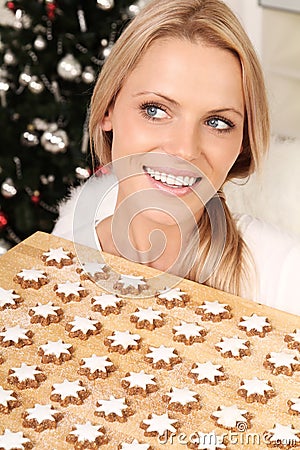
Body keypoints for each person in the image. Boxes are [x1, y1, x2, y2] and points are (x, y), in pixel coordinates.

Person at [52, 0, 300, 316]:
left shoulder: (287, 277)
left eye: (217, 122)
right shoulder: (65, 242)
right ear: (107, 110)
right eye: (155, 110)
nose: (184, 149)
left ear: (242, 142)